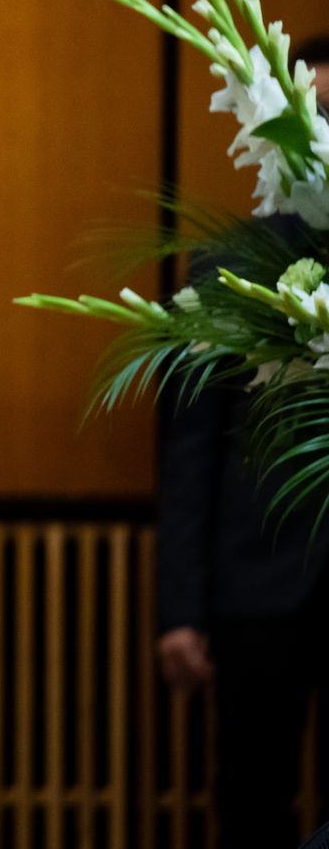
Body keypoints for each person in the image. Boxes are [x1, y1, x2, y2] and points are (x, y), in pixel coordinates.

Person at [156, 114, 329, 849]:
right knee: (251, 797)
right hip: (259, 574)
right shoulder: (228, 266)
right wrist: (180, 607)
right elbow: (190, 447)